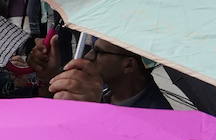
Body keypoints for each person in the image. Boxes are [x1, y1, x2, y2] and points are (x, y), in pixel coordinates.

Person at [30, 35, 173, 109]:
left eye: (98, 52)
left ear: (128, 65)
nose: (88, 56)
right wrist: (48, 77)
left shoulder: (156, 117)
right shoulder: (104, 89)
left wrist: (92, 112)